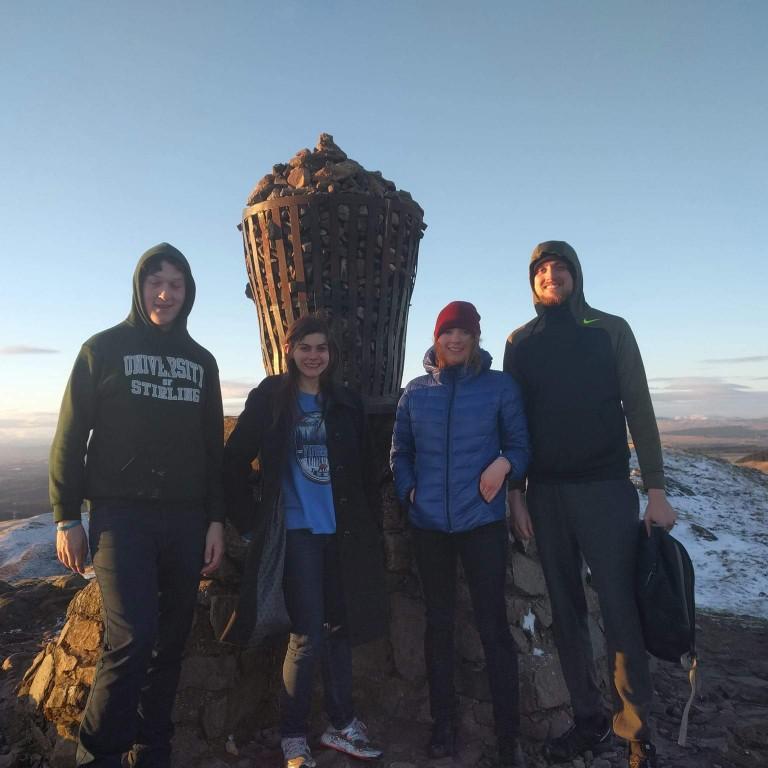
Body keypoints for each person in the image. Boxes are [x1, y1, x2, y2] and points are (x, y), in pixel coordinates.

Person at [50, 243, 225, 768]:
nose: (165, 292)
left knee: (171, 641)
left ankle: (153, 750)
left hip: (187, 516)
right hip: (119, 517)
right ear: (139, 286)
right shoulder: (101, 349)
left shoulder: (202, 362)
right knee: (132, 637)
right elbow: (70, 435)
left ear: (188, 291)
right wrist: (65, 516)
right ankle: (98, 755)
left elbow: (212, 448)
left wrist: (215, 518)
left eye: (175, 283)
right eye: (156, 282)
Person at [503, 241, 677, 768]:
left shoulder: (610, 330)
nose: (551, 275)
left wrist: (656, 487)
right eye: (542, 270)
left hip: (604, 490)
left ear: (576, 276)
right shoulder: (520, 342)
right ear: (532, 281)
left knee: (620, 608)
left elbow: (639, 407)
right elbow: (515, 422)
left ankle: (638, 730)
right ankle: (588, 720)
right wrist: (517, 492)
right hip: (547, 494)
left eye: (560, 268)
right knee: (566, 611)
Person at [222, 314, 387, 768]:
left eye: (322, 348)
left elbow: (365, 473)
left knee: (338, 627)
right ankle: (293, 735)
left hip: (343, 535)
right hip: (297, 533)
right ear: (289, 350)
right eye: (305, 347)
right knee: (308, 633)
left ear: (331, 355)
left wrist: (370, 531)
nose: (313, 356)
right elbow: (233, 461)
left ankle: (341, 724)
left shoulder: (345, 402)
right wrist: (252, 524)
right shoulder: (273, 397)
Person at [390, 301, 530, 768]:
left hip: (481, 524)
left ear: (475, 339)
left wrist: (505, 464)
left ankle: (508, 736)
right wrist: (410, 490)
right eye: (447, 332)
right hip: (429, 525)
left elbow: (520, 444)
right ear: (436, 338)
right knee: (440, 624)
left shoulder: (498, 387)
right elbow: (400, 451)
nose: (454, 340)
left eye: (463, 333)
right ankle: (443, 725)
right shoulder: (415, 392)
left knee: (493, 628)